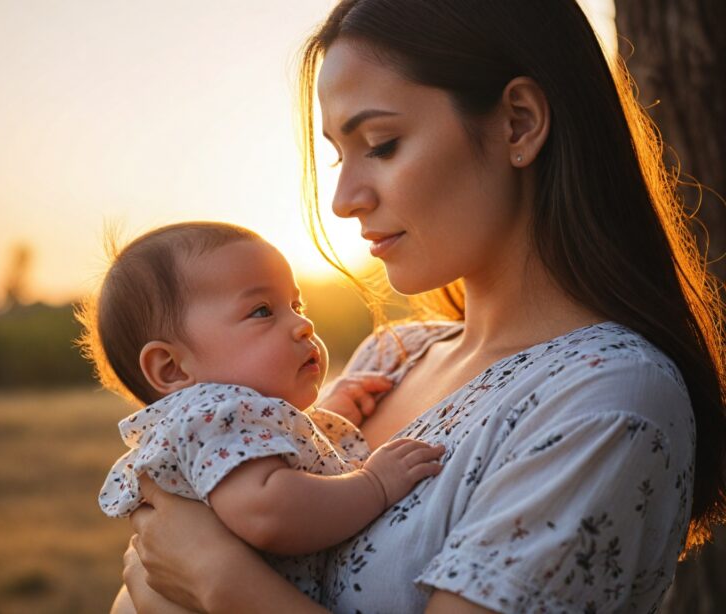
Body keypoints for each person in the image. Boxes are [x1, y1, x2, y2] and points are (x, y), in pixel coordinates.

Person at [120, 0, 726, 612]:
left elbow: (187, 567)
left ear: (518, 123)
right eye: (339, 155)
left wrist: (215, 578)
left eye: (381, 145)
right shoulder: (391, 358)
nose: (344, 199)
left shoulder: (607, 401)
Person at [76, 221, 444, 610]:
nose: (303, 325)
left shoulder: (224, 420)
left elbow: (267, 454)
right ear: (171, 368)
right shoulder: (210, 416)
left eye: (297, 305)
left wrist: (322, 420)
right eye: (262, 311)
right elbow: (268, 511)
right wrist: (374, 484)